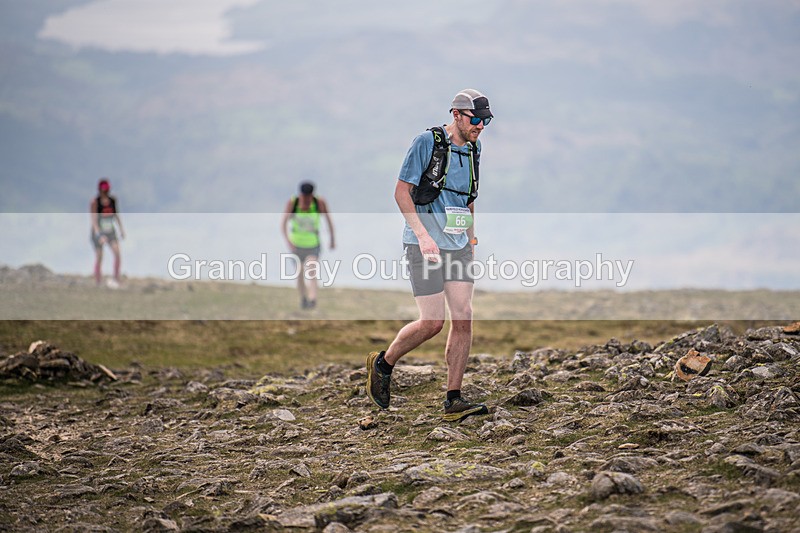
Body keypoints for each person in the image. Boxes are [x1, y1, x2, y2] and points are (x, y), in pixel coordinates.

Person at [366, 89, 493, 422]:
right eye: (476, 119)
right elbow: (401, 192)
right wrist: (423, 237)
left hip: (458, 245)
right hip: (423, 245)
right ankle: (384, 364)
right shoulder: (427, 143)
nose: (481, 126)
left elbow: (468, 198)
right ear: (456, 114)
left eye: (486, 121)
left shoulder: (475, 149)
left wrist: (471, 240)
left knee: (464, 316)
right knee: (433, 322)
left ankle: (454, 399)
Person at [281, 181, 335, 309]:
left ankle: (312, 299)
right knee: (299, 272)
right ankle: (303, 298)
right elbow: (283, 223)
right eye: (304, 198)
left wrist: (332, 239)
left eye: (308, 198)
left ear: (312, 195)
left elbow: (329, 220)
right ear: (300, 194)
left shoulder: (319, 203)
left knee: (312, 269)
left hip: (313, 244)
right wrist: (288, 241)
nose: (306, 201)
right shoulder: (293, 203)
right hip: (296, 245)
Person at [90, 178, 125, 288]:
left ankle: (116, 279)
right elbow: (94, 220)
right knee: (100, 256)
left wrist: (121, 229)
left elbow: (116, 215)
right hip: (98, 232)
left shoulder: (112, 201)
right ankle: (98, 281)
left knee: (117, 253)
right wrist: (99, 235)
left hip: (110, 231)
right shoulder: (95, 202)